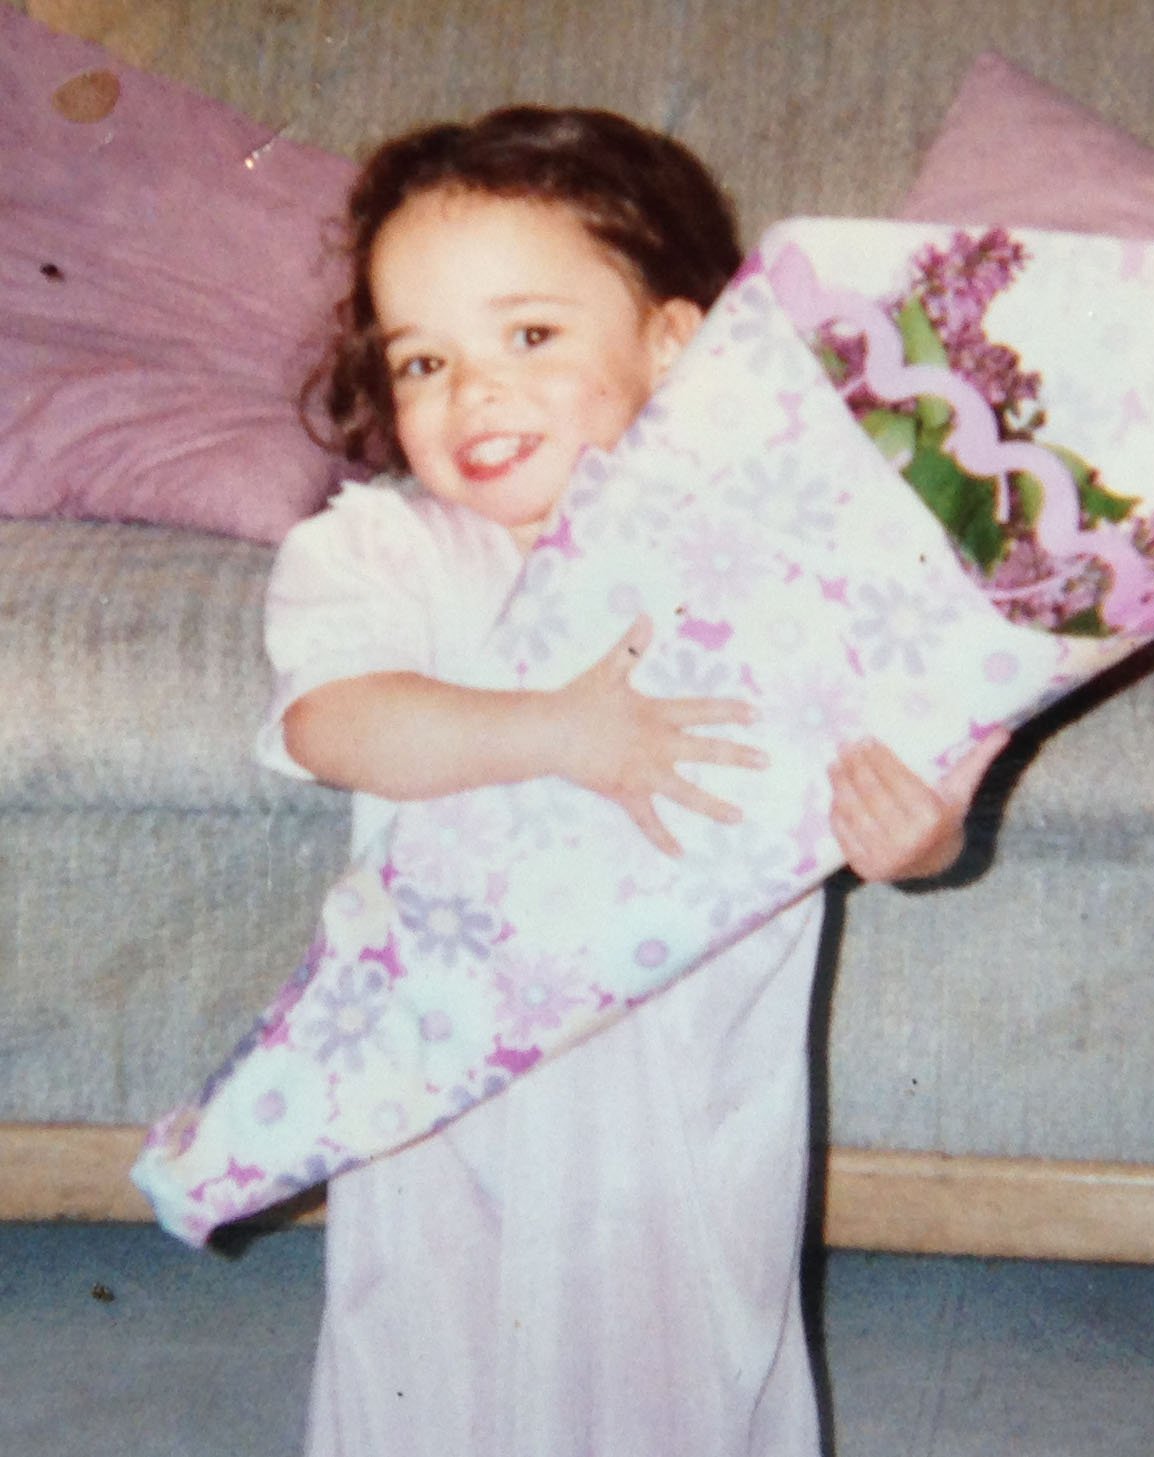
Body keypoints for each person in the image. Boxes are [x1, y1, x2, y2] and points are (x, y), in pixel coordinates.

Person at [264, 105, 1007, 1457]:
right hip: (452, 1067)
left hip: (688, 1072)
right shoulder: (383, 554)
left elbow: (891, 768)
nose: (471, 393)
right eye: (423, 359)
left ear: (675, 345)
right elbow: (334, 721)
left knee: (684, 1342)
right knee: (435, 1340)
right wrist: (561, 730)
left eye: (528, 336)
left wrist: (920, 834)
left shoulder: (771, 562)